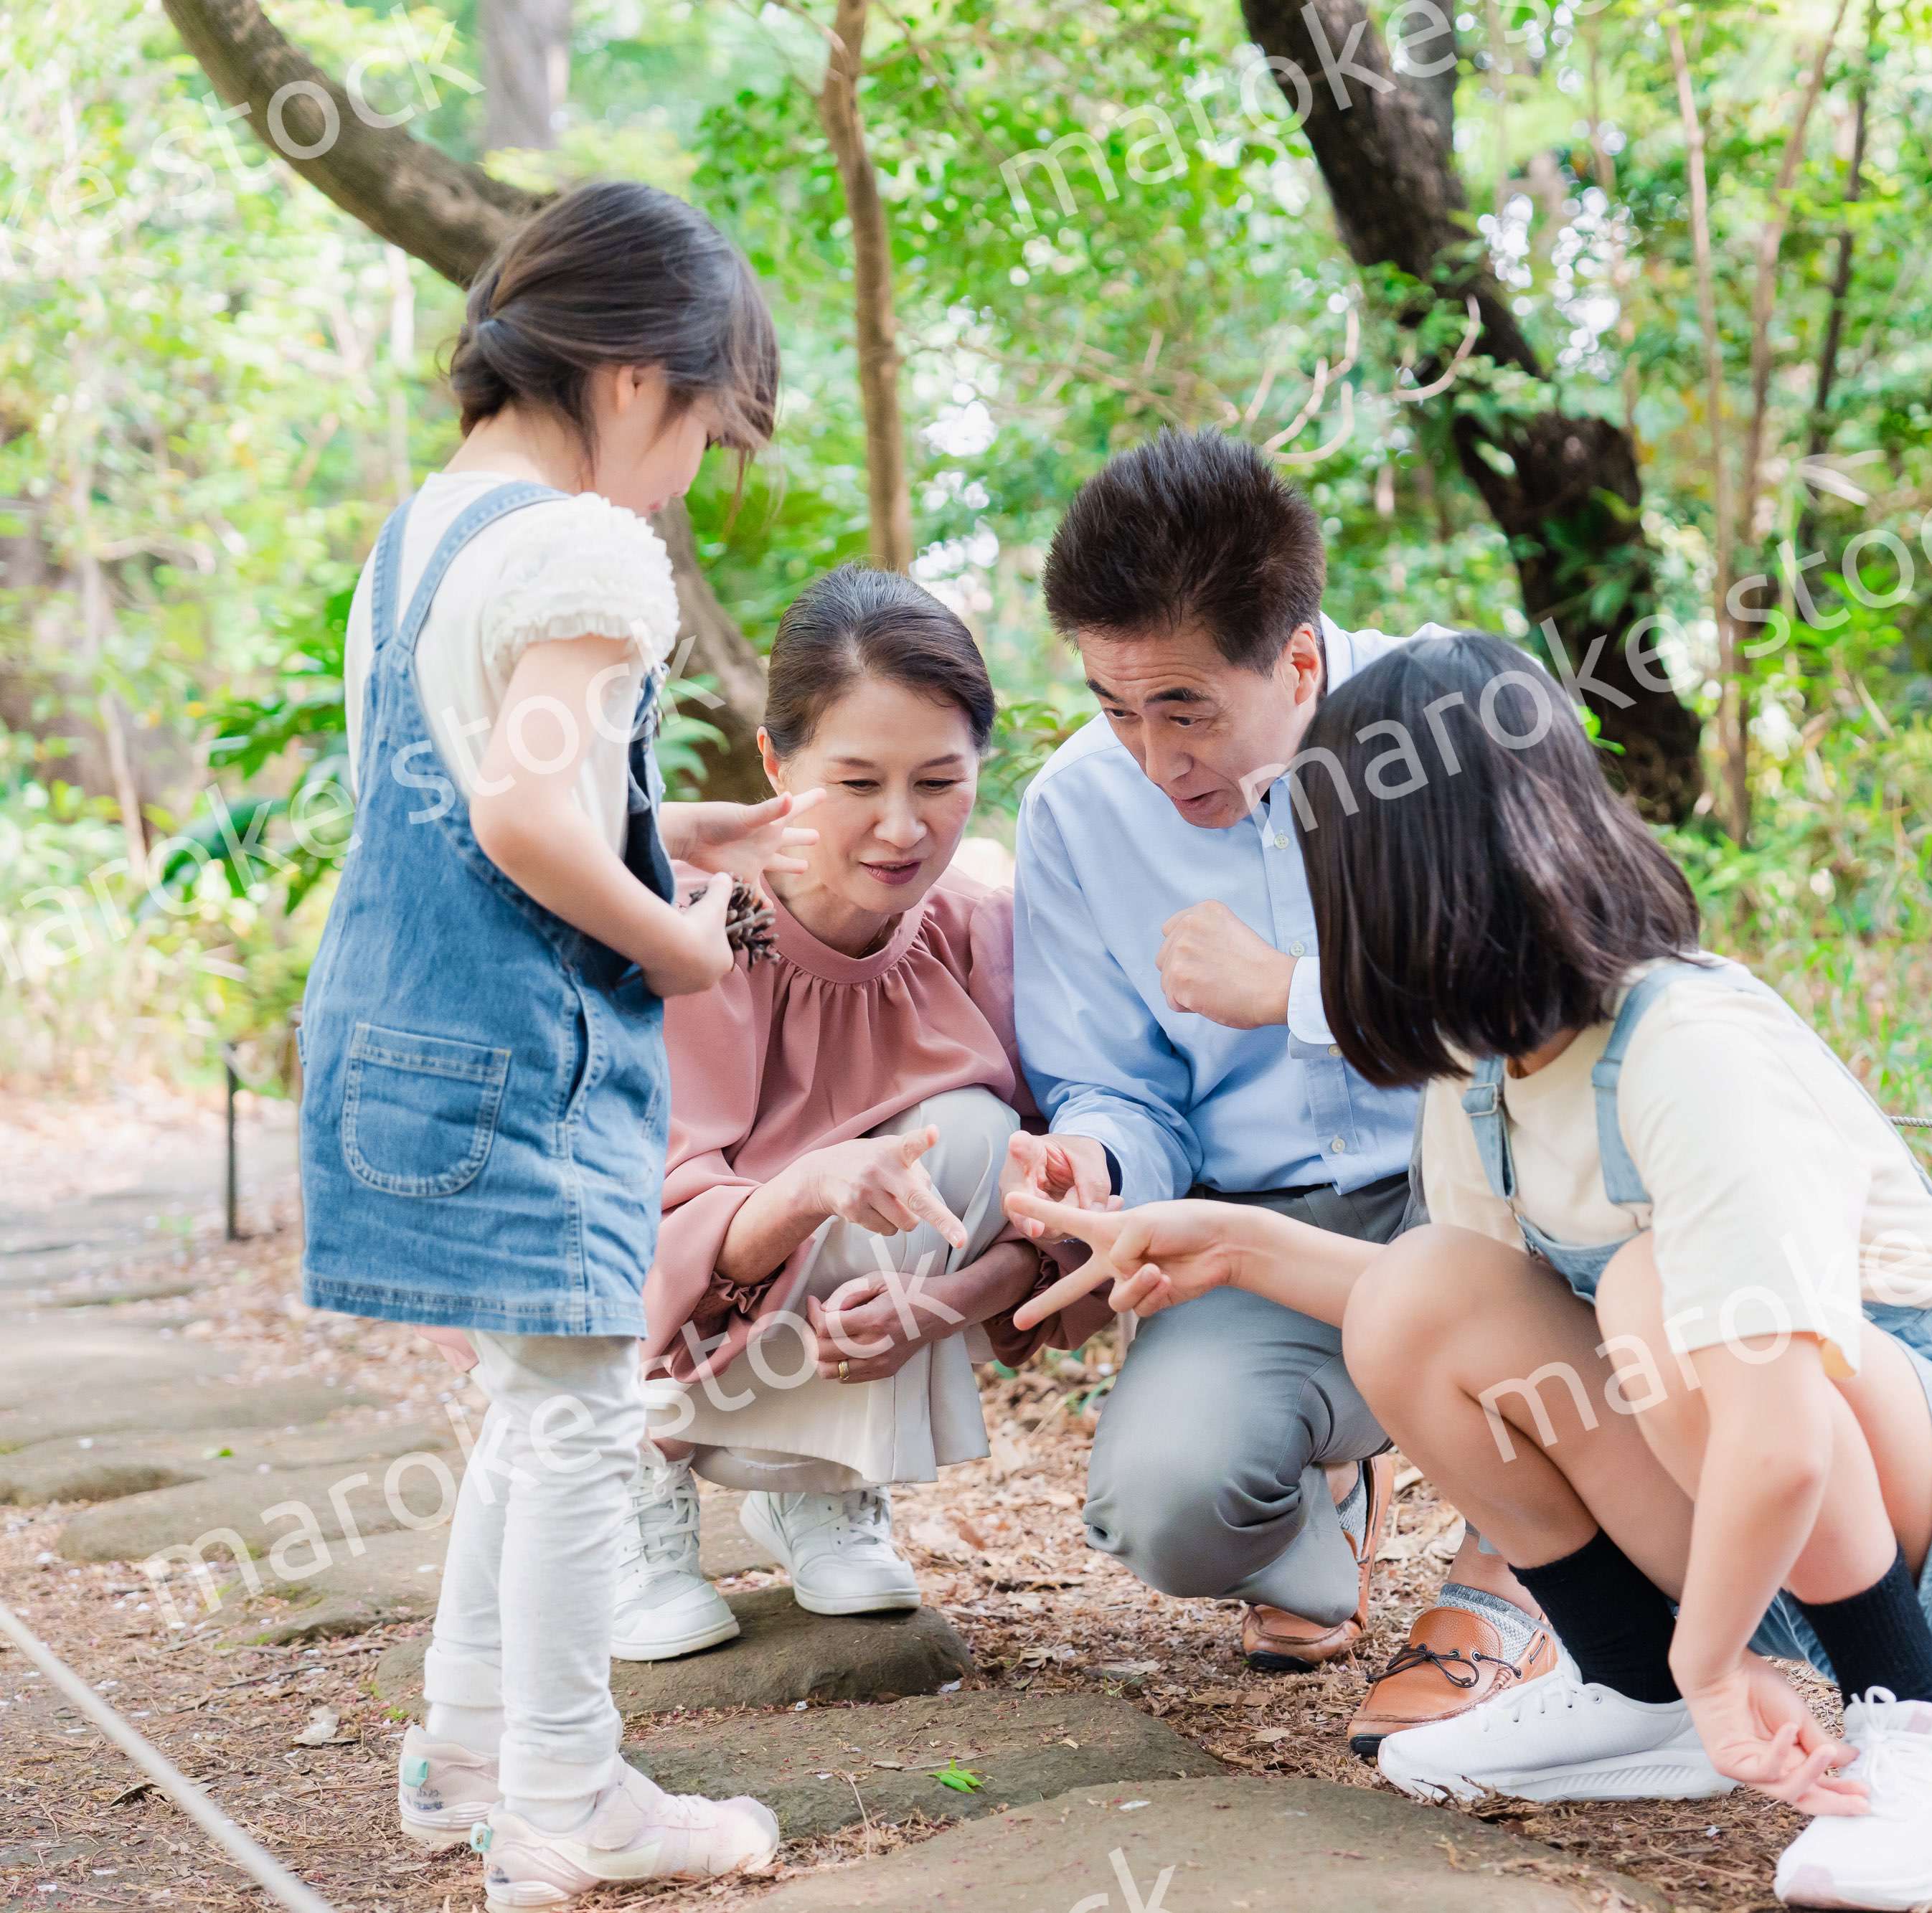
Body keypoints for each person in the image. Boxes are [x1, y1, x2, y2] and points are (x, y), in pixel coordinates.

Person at [1003, 634, 1932, 1912]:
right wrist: (1225, 1242)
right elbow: (1468, 1323)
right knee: (1422, 1292)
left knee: (1649, 1293)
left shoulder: (1688, 1044)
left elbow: (1786, 1435)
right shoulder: (1486, 1068)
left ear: (1425, 887)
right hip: (1752, 1496)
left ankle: (1926, 1727)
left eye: (1342, 885)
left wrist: (1719, 1659)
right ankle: (1634, 1690)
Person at [295, 181, 789, 1904]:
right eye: (708, 432)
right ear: (638, 379)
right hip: (526, 1049)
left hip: (400, 1036)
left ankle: (466, 1747)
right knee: (582, 1412)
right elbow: (520, 815)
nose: (690, 478)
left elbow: (479, 772)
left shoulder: (426, 534)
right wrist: (683, 940)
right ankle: (572, 1793)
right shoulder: (590, 547)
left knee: (535, 1396)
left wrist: (674, 826)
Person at [1009, 431, 1555, 1746]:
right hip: (1265, 1230)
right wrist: (1095, 1161)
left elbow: (1556, 997)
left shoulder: (1457, 718)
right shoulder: (1076, 811)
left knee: (1587, 1228)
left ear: (1299, 660)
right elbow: (1117, 1086)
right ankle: (1329, 1503)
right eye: (1114, 708)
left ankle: (1514, 1574)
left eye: (1185, 710)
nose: (1154, 759)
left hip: (1493, 1190)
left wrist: (1297, 993)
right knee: (1166, 1506)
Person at [616, 565, 1108, 1658]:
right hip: (654, 1333)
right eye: (856, 782)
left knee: (980, 1133)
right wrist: (804, 1191)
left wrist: (947, 1303)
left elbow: (1060, 1212)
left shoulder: (983, 937)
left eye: (938, 782)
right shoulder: (676, 937)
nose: (900, 827)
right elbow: (637, 1238)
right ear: (775, 765)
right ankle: (630, 1486)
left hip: (826, 1334)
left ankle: (820, 1479)